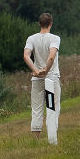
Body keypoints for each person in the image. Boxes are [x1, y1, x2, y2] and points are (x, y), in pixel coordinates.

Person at [23, 12, 61, 140]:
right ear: (51, 24)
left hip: (37, 78)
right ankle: (52, 134)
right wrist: (46, 70)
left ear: (39, 24)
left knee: (37, 108)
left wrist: (36, 70)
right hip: (52, 77)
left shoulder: (31, 38)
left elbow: (26, 56)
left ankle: (36, 139)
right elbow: (51, 56)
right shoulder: (55, 38)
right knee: (54, 106)